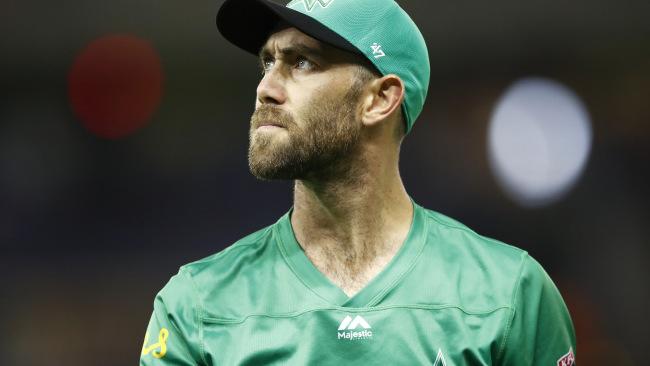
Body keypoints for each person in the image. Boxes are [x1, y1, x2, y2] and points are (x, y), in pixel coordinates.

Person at [140, 0, 577, 364]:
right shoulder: (196, 307)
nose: (266, 88)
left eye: (302, 62)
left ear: (380, 99)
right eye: (268, 62)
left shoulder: (508, 294)